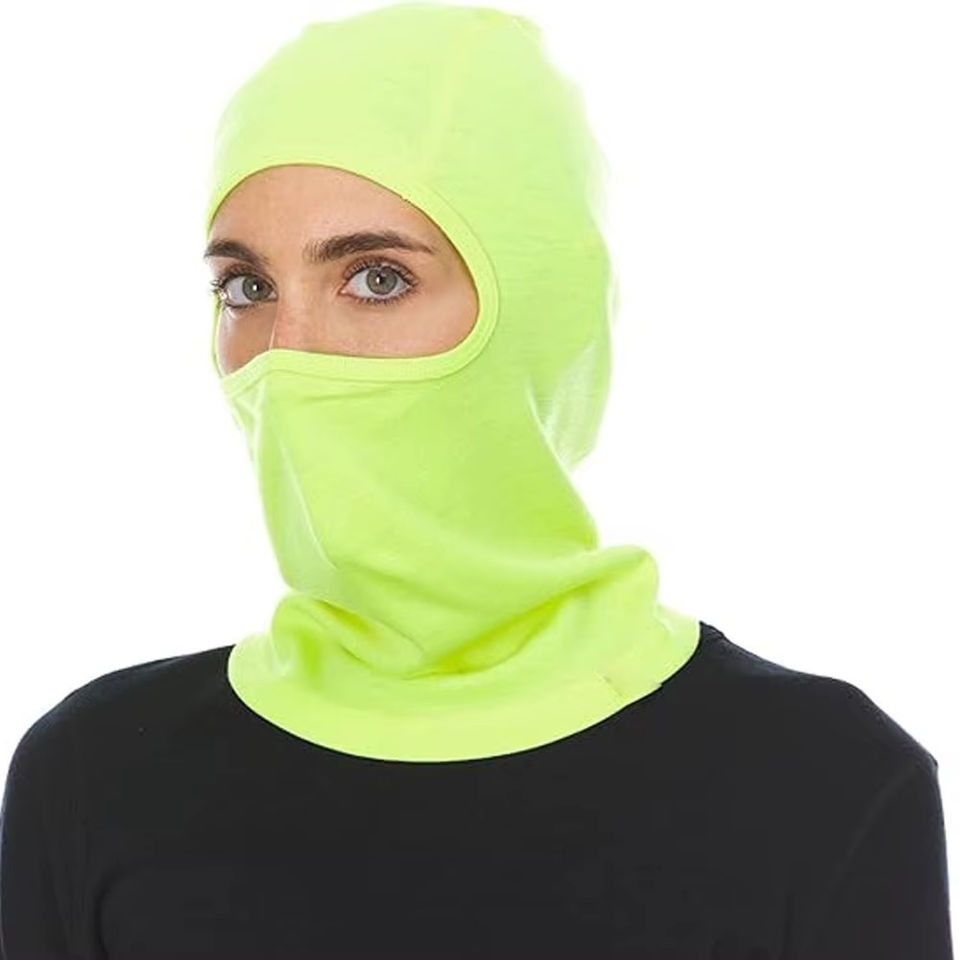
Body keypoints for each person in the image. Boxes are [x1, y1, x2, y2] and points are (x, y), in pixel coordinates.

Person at [0, 4, 952, 958]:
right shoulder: (92, 777)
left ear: (538, 315)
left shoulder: (823, 787)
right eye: (248, 288)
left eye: (376, 278)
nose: (288, 357)